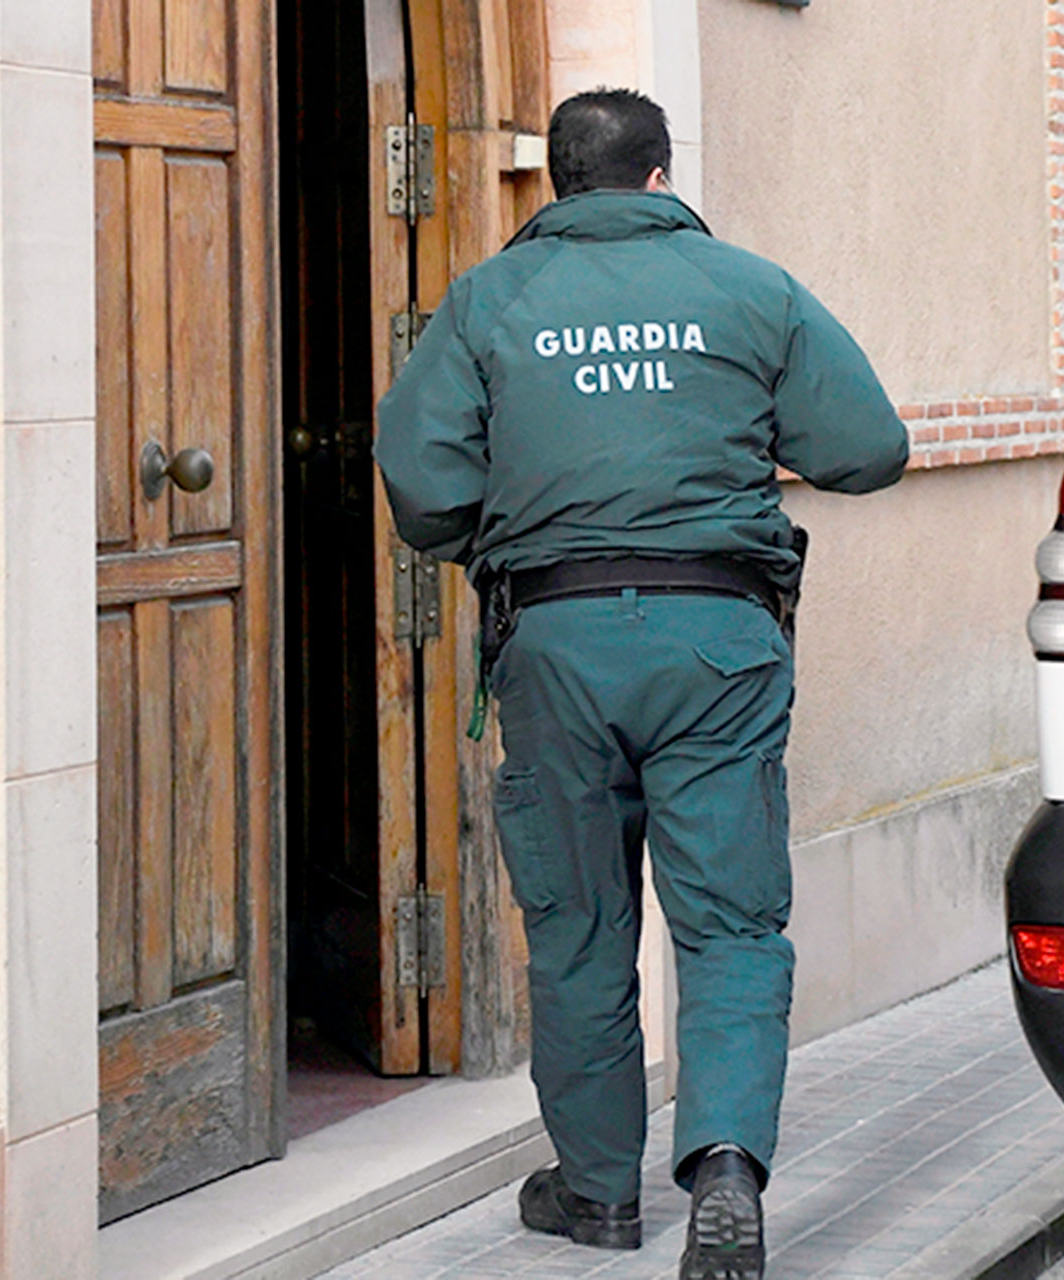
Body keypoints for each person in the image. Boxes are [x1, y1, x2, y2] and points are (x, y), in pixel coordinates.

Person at [374, 87, 907, 1280]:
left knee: (578, 926)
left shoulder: (489, 300)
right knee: (727, 921)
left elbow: (420, 488)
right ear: (661, 176)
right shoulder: (750, 288)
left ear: (557, 184)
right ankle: (725, 1164)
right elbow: (868, 448)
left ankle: (599, 1192)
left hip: (554, 641)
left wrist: (521, 523)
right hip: (717, 639)